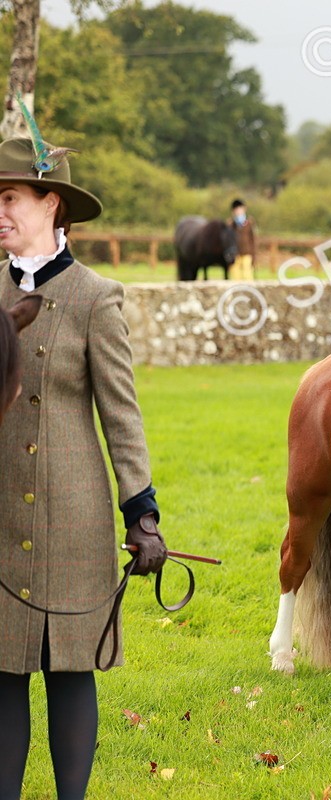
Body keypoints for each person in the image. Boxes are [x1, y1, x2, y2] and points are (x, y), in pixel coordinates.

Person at [0, 134, 167, 799]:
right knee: (2, 671)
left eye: (10, 197)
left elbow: (122, 417)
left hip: (72, 513)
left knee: (70, 670)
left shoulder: (98, 297)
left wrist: (143, 513)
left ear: (51, 203)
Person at [229, 198, 256, 281]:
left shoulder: (249, 223)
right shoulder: (231, 224)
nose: (238, 211)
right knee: (235, 275)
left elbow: (252, 239)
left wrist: (253, 254)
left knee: (247, 274)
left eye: (240, 209)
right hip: (235, 254)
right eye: (236, 209)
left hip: (247, 252)